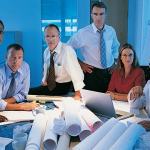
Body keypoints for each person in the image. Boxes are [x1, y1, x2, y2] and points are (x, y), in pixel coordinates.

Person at [68, 2, 120, 93]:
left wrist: (115, 62)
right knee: (91, 103)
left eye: (101, 14)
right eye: (95, 14)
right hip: (92, 74)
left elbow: (115, 47)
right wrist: (80, 63)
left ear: (105, 15)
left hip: (109, 73)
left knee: (109, 101)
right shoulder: (83, 33)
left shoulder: (111, 31)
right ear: (91, 15)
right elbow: (68, 48)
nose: (98, 17)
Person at [29, 24, 85, 99]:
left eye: (53, 36)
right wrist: (44, 80)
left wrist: (78, 93)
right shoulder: (46, 51)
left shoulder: (67, 50)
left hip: (63, 87)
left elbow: (76, 72)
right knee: (29, 92)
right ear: (44, 38)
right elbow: (47, 68)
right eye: (47, 36)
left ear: (59, 36)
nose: (50, 39)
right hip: (51, 85)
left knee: (29, 92)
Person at [0, 43, 39, 112]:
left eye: (19, 58)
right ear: (6, 57)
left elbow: (23, 94)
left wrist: (3, 103)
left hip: (8, 106)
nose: (16, 61)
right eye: (13, 57)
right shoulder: (1, 72)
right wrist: (22, 106)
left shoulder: (25, 67)